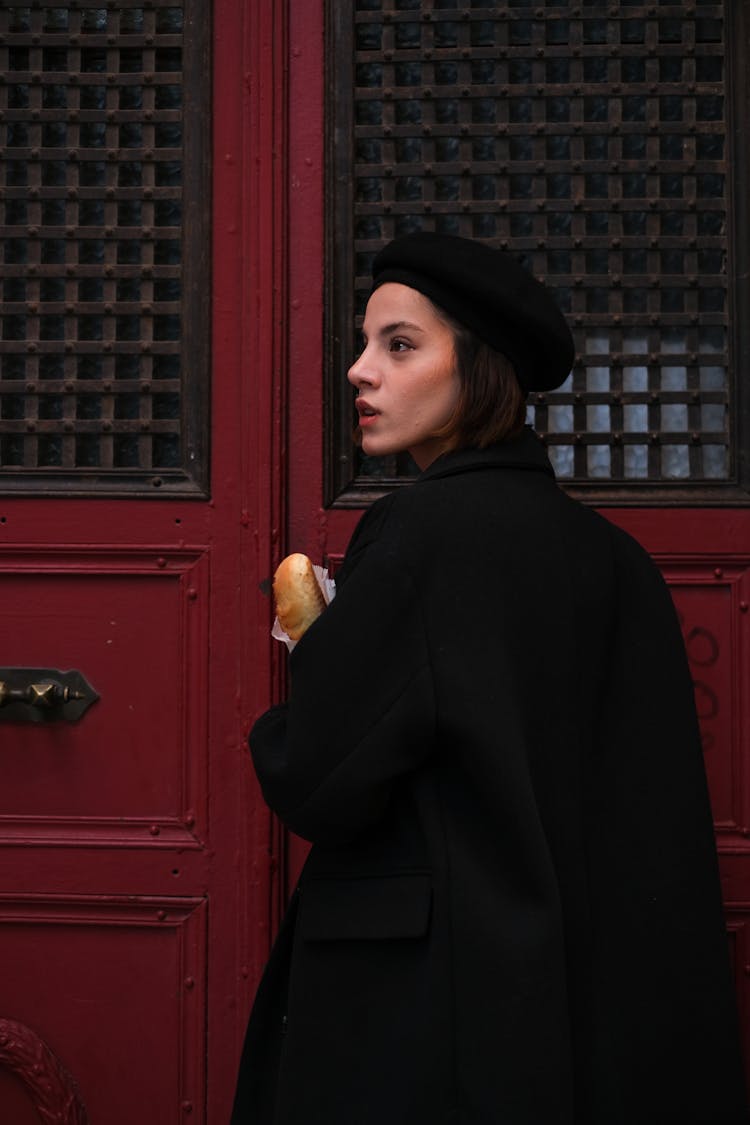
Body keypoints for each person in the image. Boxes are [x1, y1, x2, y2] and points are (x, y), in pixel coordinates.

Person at [232, 232, 748, 1124]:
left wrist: (310, 645)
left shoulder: (417, 537)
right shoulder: (620, 562)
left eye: (399, 344)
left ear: (480, 368)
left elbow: (319, 778)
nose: (360, 371)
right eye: (366, 344)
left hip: (432, 1020)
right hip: (596, 1031)